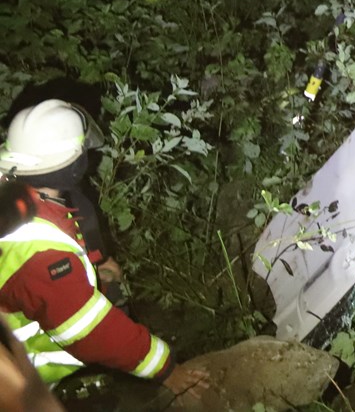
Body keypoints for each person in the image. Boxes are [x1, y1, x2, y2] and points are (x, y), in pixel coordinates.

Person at [0, 100, 204, 400]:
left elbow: (60, 224)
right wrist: (166, 368)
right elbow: (90, 332)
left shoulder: (20, 194)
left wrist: (94, 263)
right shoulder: (42, 254)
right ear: (71, 165)